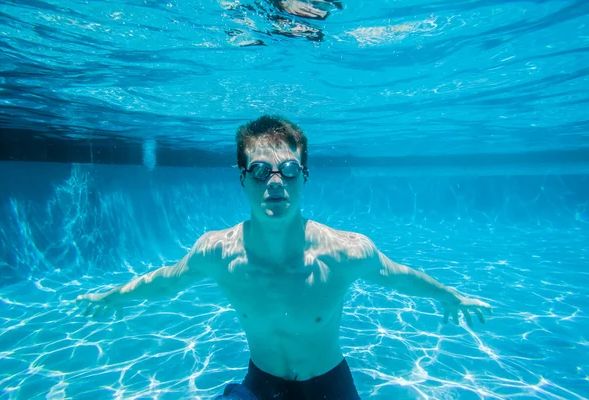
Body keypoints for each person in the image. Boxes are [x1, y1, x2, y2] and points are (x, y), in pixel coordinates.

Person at [76, 115, 492, 400]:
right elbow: (167, 280)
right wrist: (114, 297)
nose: (275, 182)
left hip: (329, 385)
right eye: (260, 170)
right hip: (261, 384)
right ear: (243, 180)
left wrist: (450, 296)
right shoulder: (218, 252)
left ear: (304, 177)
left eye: (289, 169)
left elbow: (400, 276)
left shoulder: (344, 252)